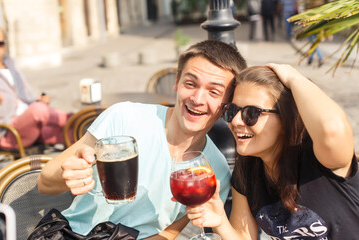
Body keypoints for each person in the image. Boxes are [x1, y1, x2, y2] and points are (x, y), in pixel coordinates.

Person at [36, 39, 248, 239]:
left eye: (214, 92)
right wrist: (68, 175)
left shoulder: (215, 170)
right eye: (191, 84)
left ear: (226, 105)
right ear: (176, 82)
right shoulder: (124, 117)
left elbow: (169, 233)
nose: (197, 99)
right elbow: (44, 182)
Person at [186, 64, 359, 239]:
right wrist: (221, 222)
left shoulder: (322, 159)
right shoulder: (248, 168)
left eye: (251, 113)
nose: (236, 121)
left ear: (286, 119)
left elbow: (332, 129)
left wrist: (294, 78)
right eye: (232, 110)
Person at [0, 27, 71, 150]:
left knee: (69, 134)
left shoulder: (10, 66)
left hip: (29, 124)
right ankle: (76, 119)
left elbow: (26, 96)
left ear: (5, 44)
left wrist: (39, 100)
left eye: (0, 43)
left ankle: (95, 138)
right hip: (9, 133)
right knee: (37, 110)